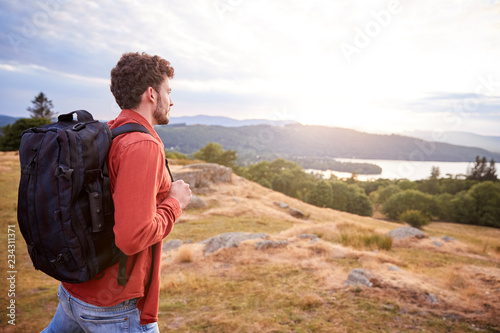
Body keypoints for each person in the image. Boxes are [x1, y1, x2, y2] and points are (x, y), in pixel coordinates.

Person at [43, 52, 192, 332]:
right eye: (168, 92)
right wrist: (175, 202)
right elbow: (132, 238)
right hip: (115, 309)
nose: (171, 100)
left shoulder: (110, 131)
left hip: (75, 292)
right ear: (151, 94)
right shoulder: (142, 145)